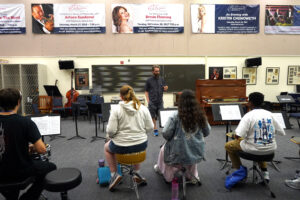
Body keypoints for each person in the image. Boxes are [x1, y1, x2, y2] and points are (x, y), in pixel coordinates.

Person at [0, 88, 56, 200]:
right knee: (51, 167)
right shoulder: (25, 122)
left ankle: (10, 196)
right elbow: (42, 150)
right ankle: (28, 198)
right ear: (18, 102)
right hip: (19, 170)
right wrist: (33, 147)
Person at [225, 92, 285, 181]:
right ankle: (265, 173)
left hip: (253, 149)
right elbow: (282, 132)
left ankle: (240, 172)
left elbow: (238, 135)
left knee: (228, 145)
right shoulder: (270, 114)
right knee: (260, 143)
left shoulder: (248, 116)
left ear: (250, 103)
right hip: (270, 149)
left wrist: (234, 135)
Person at [153, 89, 210, 182]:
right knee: (191, 149)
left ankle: (167, 174)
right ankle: (192, 176)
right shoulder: (201, 115)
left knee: (164, 149)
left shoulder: (175, 115)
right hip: (196, 151)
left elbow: (166, 134)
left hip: (177, 152)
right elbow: (207, 132)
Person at [104, 85, 154, 191]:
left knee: (106, 148)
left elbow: (111, 131)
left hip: (121, 148)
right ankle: (137, 174)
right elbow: (150, 128)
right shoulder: (143, 108)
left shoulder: (116, 109)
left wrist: (114, 137)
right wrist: (139, 134)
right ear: (133, 94)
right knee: (136, 144)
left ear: (121, 97)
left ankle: (114, 175)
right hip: (141, 147)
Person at [145, 65, 168, 136]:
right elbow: (146, 91)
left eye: (158, 71)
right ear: (153, 72)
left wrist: (166, 88)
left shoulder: (162, 79)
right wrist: (148, 101)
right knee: (153, 116)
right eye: (156, 71)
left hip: (160, 101)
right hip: (152, 102)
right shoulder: (149, 80)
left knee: (162, 116)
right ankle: (155, 129)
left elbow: (165, 88)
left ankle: (165, 129)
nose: (157, 72)